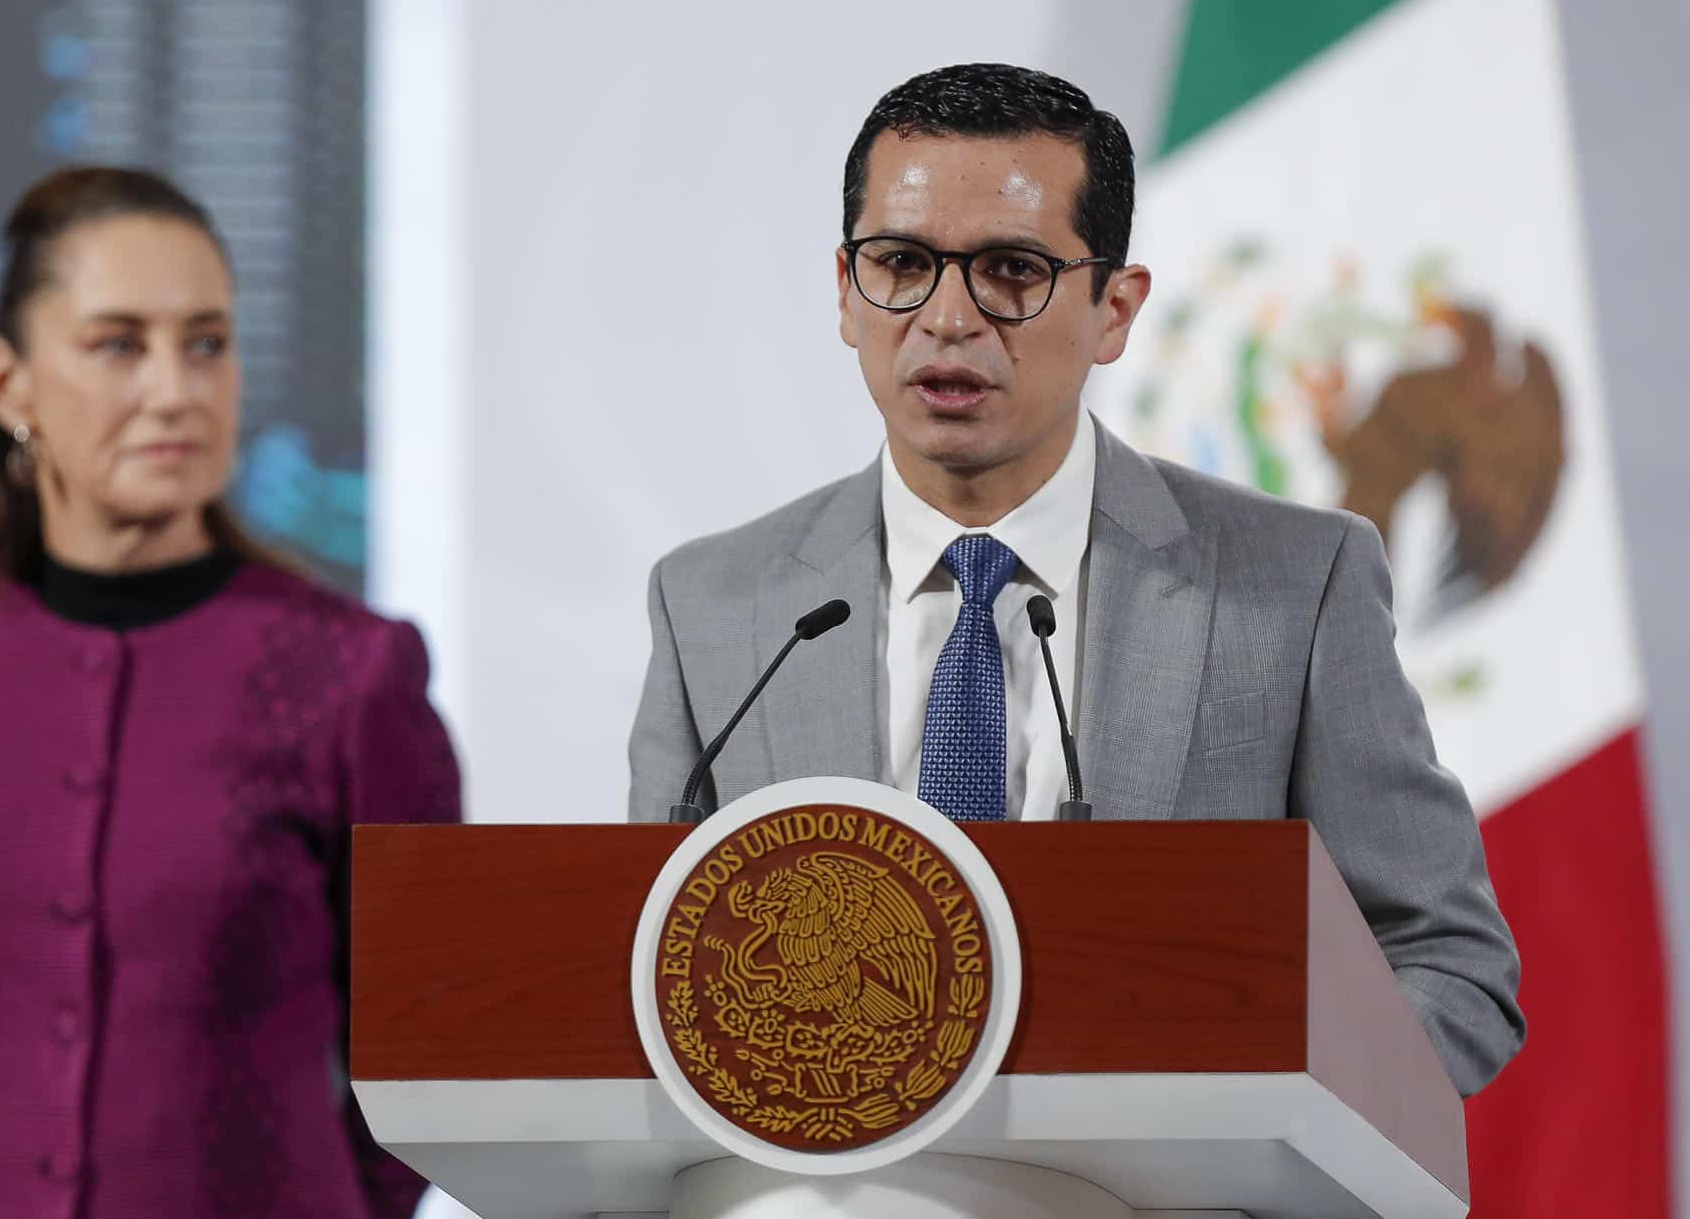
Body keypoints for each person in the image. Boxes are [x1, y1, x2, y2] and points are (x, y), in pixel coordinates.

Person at [625, 64, 1522, 1096]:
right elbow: (647, 970)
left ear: (1115, 309)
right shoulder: (717, 608)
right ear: (844, 290)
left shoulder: (1294, 587)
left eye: (1011, 270)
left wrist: (1257, 1113)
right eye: (902, 264)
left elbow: (1448, 964)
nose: (948, 317)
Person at [0, 167, 458, 1217]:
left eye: (206, 344)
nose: (176, 390)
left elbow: (427, 1042)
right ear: (6, 383)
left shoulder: (352, 671)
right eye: (119, 344)